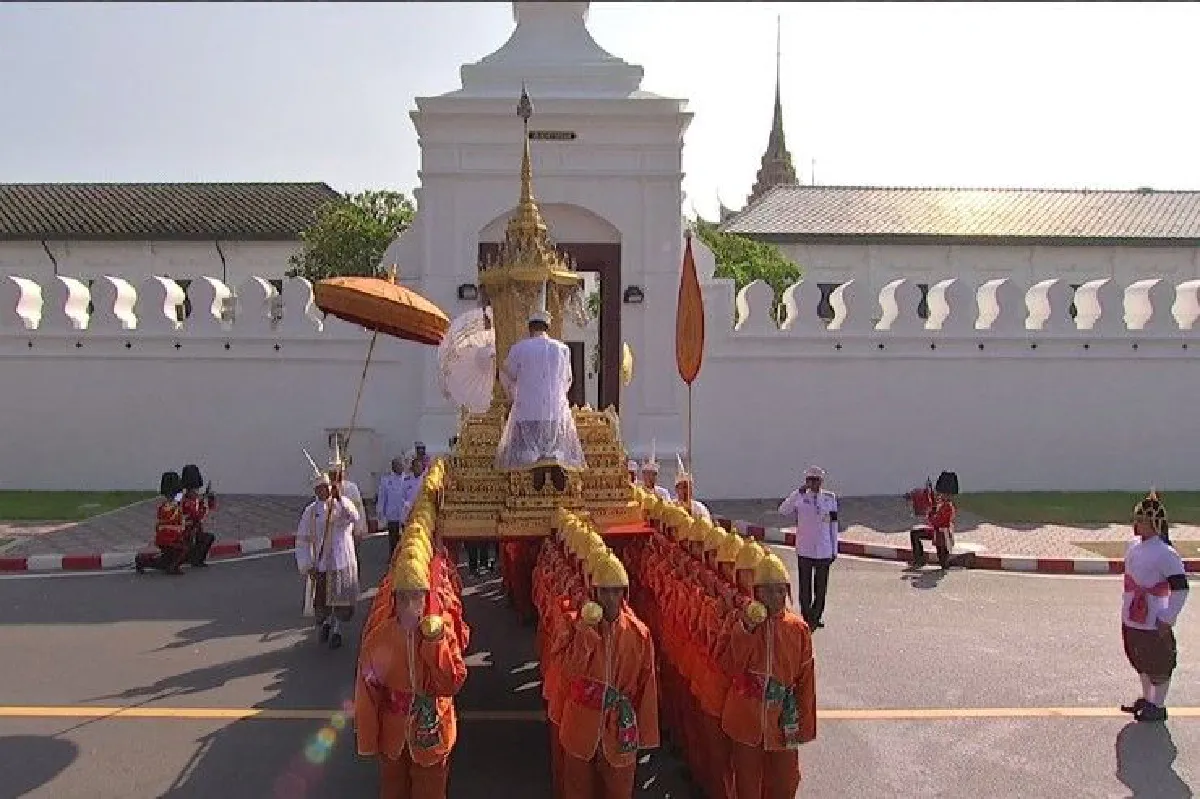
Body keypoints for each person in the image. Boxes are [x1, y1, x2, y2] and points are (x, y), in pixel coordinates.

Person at [355, 558, 467, 799]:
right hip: (393, 732)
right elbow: (367, 692)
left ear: (426, 599)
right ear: (394, 600)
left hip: (432, 729)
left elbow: (452, 683)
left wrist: (435, 646)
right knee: (393, 791)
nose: (410, 605)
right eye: (404, 598)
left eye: (416, 597)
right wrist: (369, 738)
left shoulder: (441, 633)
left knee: (431, 791)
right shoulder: (379, 638)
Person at [559, 552, 660, 799]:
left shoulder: (639, 633)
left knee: (619, 792)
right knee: (578, 791)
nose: (611, 599)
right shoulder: (575, 625)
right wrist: (585, 635)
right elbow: (568, 673)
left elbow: (647, 685)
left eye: (616, 592)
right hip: (581, 724)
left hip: (619, 727)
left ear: (624, 594)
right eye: (605, 592)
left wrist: (645, 735)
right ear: (595, 594)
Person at [719, 553, 817, 799]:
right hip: (745, 719)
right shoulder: (739, 621)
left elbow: (806, 679)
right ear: (756, 593)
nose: (775, 598)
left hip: (784, 719)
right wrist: (746, 630)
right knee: (746, 786)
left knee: (785, 783)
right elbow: (728, 665)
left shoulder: (797, 629)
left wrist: (804, 724)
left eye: (780, 591)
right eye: (768, 591)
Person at [495, 281, 586, 492]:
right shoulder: (562, 349)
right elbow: (568, 380)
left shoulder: (520, 348)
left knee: (530, 451)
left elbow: (505, 373)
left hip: (527, 409)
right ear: (548, 327)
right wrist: (555, 396)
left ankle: (539, 473)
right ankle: (552, 470)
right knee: (552, 447)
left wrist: (513, 394)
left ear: (529, 328)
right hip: (555, 411)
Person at [1119, 490, 1189, 723]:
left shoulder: (1167, 554)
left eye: (1141, 521)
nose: (1136, 525)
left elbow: (1180, 588)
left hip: (1154, 617)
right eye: (1136, 520)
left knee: (1158, 660)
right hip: (1132, 615)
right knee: (1139, 657)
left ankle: (1157, 704)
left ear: (1154, 523)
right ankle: (1147, 698)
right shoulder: (1133, 547)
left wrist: (1168, 616)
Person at [296, 472, 362, 650]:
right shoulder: (310, 512)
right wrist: (307, 564)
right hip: (322, 562)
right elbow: (303, 539)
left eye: (325, 488)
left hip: (342, 560)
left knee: (340, 599)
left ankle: (337, 631)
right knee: (324, 600)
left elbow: (354, 517)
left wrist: (339, 499)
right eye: (319, 489)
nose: (322, 492)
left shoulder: (342, 505)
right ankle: (326, 623)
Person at [778, 466, 839, 629]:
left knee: (821, 587)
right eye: (809, 480)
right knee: (805, 587)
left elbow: (834, 524)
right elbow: (783, 510)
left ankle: (816, 616)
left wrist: (835, 548)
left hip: (824, 549)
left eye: (816, 480)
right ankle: (806, 616)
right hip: (805, 548)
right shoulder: (799, 497)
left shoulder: (829, 498)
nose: (813, 483)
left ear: (821, 481)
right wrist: (797, 492)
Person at [135, 472, 188, 575]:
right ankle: (172, 568)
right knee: (183, 549)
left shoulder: (173, 504)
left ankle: (142, 560)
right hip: (167, 537)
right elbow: (170, 520)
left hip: (171, 536)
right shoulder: (167, 507)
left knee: (165, 560)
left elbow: (180, 496)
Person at [328, 444, 367, 577]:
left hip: (348, 531)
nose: (335, 476)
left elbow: (358, 510)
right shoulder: (326, 488)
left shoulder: (351, 488)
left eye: (337, 473)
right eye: (332, 473)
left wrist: (360, 529)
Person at [179, 464, 216, 568]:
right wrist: (205, 504)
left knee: (208, 537)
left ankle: (195, 557)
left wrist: (209, 500)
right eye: (195, 489)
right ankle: (195, 559)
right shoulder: (184, 500)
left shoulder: (185, 498)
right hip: (185, 534)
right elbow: (198, 516)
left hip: (193, 533)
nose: (196, 492)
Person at [909, 489, 956, 570]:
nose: (939, 497)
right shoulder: (940, 506)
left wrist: (931, 514)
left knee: (943, 563)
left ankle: (944, 560)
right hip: (935, 531)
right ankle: (919, 559)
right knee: (915, 533)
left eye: (941, 496)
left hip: (942, 534)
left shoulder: (947, 507)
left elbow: (937, 522)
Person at [377, 457, 410, 559]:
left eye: (401, 465)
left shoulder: (408, 479)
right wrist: (381, 514)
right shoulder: (386, 481)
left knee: (405, 539)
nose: (400, 467)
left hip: (405, 515)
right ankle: (393, 559)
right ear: (393, 467)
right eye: (397, 465)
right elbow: (382, 498)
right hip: (392, 516)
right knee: (393, 540)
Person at [672, 454, 712, 523]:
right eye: (684, 487)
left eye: (689, 487)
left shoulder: (700, 508)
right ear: (676, 489)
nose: (686, 490)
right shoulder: (671, 507)